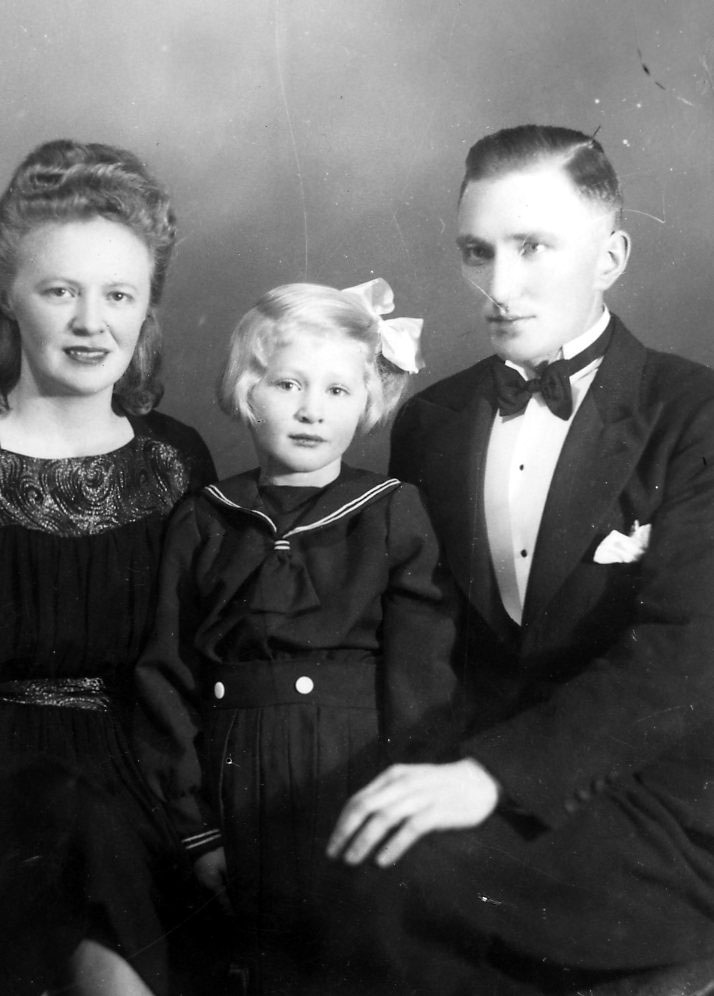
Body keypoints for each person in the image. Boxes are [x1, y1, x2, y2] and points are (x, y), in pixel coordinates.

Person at [323, 125, 714, 994]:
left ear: (610, 257)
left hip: (659, 804)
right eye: (478, 252)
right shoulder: (433, 422)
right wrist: (428, 775)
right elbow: (428, 637)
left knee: (396, 883)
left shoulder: (694, 413)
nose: (499, 288)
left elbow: (689, 655)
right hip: (490, 782)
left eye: (533, 247)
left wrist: (494, 776)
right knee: (342, 856)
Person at [134, 279, 460, 993]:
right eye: (288, 384)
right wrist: (195, 829)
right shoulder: (205, 518)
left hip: (354, 772)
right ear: (248, 391)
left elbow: (423, 676)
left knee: (353, 962)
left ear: (367, 402)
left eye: (338, 391)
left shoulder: (391, 511)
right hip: (234, 778)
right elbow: (166, 678)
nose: (313, 410)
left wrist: (409, 806)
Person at [0, 139, 216, 996]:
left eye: (119, 295)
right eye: (61, 291)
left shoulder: (178, 460)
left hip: (144, 782)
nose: (93, 323)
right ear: (9, 294)